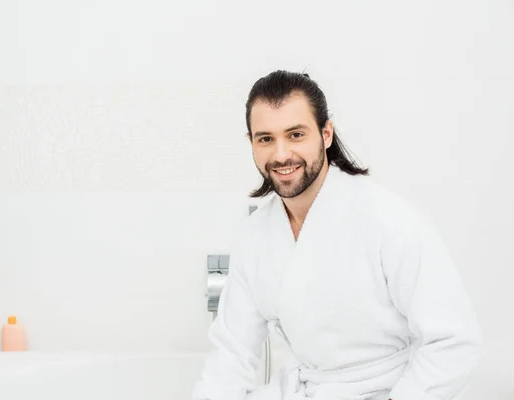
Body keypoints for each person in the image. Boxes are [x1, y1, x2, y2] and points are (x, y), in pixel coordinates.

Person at [192, 70, 484, 400]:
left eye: (296, 134)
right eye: (266, 138)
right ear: (251, 143)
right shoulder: (254, 236)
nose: (281, 154)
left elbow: (454, 342)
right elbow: (230, 356)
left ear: (326, 133)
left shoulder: (389, 221)